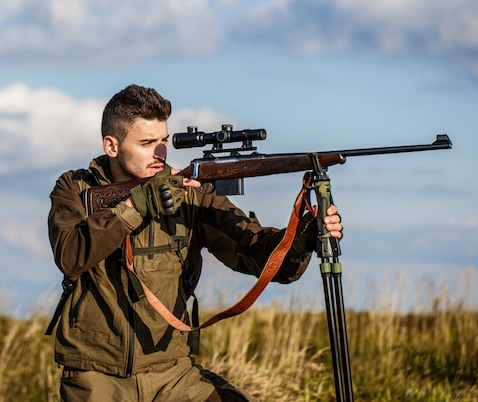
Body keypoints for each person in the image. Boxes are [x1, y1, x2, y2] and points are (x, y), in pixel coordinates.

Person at [47, 84, 343, 402]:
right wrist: (138, 205)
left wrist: (301, 238)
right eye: (147, 143)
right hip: (96, 377)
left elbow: (257, 252)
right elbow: (71, 254)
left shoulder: (188, 192)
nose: (160, 153)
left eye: (163, 141)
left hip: (173, 375)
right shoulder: (75, 188)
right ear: (112, 146)